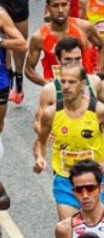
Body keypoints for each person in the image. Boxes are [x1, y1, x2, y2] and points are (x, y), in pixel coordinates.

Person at [33, 67, 104, 219]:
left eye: (71, 82)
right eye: (63, 81)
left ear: (83, 84)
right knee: (68, 230)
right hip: (66, 181)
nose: (66, 86)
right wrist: (39, 158)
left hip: (96, 180)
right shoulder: (51, 114)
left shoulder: (99, 111)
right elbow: (41, 142)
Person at [56, 160, 104, 238]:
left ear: (100, 188)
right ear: (73, 192)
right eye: (79, 190)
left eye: (90, 188)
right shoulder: (65, 229)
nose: (85, 195)